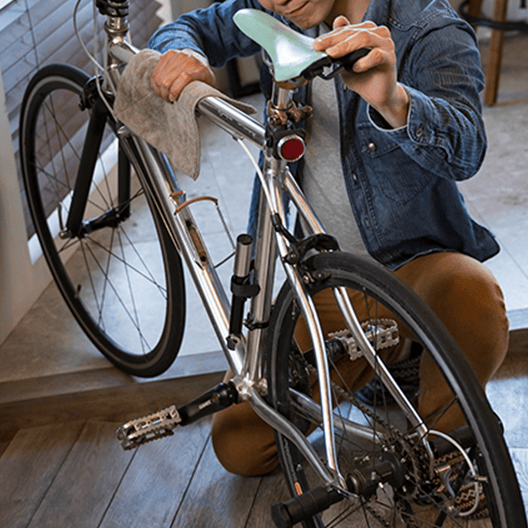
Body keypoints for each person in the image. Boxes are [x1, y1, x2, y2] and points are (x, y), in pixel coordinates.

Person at [148, 0, 509, 478]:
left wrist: (395, 101)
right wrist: (182, 53)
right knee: (239, 444)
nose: (279, 1)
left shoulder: (425, 24)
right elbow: (193, 26)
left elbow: (467, 149)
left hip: (416, 274)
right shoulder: (273, 12)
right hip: (329, 289)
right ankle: (375, 374)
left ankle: (454, 440)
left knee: (472, 292)